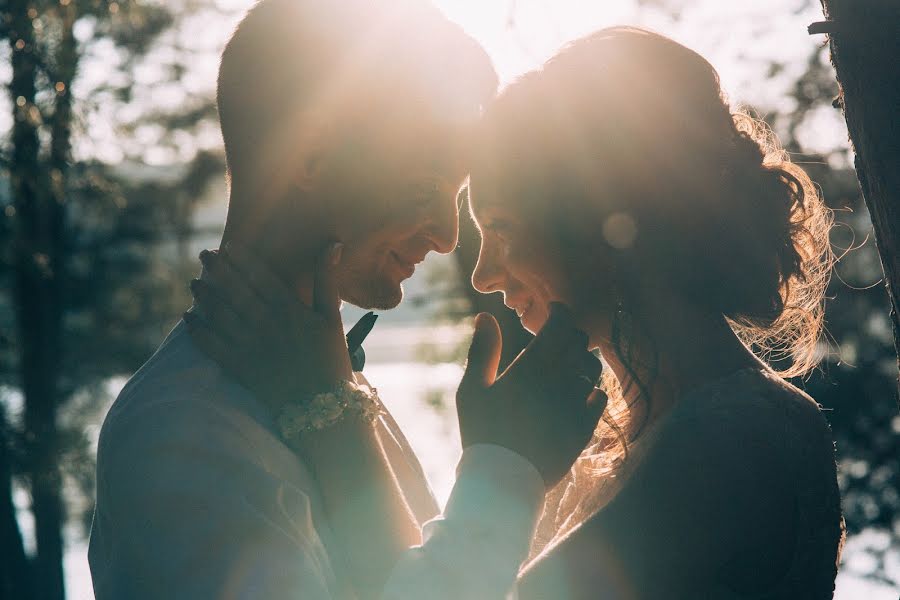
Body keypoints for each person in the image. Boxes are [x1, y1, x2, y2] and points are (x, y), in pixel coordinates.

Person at [191, 27, 846, 599]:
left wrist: (327, 410)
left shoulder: (739, 437)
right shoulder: (600, 438)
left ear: (605, 221)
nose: (484, 274)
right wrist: (329, 403)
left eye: (501, 229)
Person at [88, 0, 604, 598]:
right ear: (313, 157)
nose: (446, 234)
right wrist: (504, 469)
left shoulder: (322, 384)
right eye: (430, 184)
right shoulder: (182, 437)